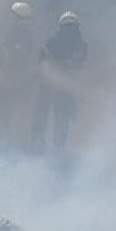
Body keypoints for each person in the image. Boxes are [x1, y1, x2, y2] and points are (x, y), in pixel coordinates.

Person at [30, 11, 87, 150]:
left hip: (60, 86)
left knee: (58, 119)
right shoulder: (54, 40)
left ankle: (55, 149)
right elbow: (44, 61)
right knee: (45, 116)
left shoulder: (77, 44)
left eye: (71, 28)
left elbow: (75, 65)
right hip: (52, 85)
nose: (69, 32)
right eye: (67, 28)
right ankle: (39, 144)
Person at [0, 1, 39, 134]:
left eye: (13, 16)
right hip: (0, 75)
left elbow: (21, 57)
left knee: (4, 109)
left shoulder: (24, 37)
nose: (10, 18)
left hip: (10, 76)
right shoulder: (8, 32)